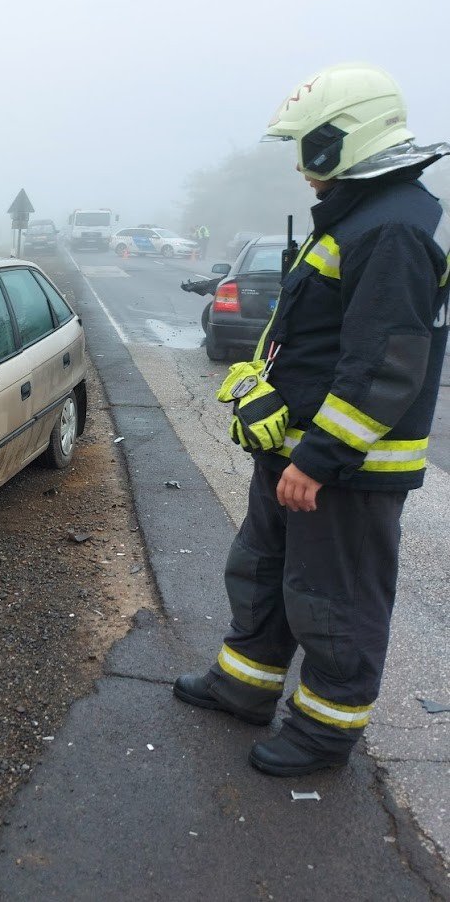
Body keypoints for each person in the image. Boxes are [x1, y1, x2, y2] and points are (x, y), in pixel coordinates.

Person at [173, 62, 450, 776]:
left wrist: (319, 458)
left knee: (335, 602)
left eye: (309, 147)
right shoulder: (363, 216)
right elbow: (317, 342)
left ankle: (325, 734)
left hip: (342, 472)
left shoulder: (391, 228)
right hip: (297, 457)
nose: (302, 167)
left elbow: (384, 365)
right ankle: (244, 687)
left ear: (347, 138)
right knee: (263, 575)